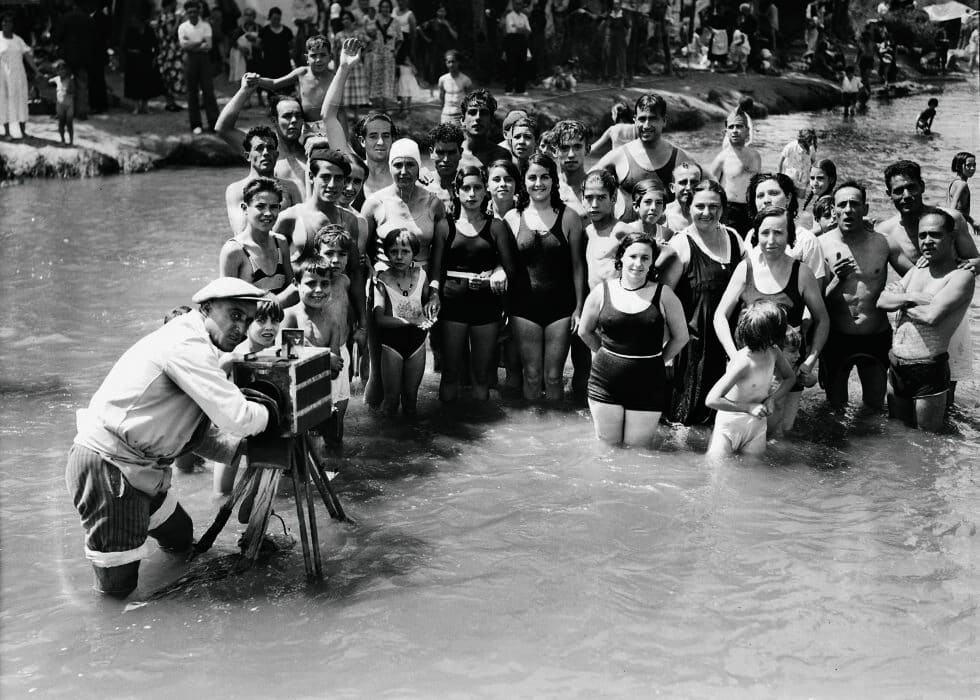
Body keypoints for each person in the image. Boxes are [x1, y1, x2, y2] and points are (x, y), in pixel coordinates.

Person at [66, 278, 274, 597]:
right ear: (205, 309)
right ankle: (115, 629)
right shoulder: (187, 344)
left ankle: (169, 591)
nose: (241, 327)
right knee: (117, 590)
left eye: (247, 319)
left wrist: (248, 447)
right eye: (234, 314)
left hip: (143, 464)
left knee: (180, 536)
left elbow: (195, 437)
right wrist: (278, 413)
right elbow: (239, 417)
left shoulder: (198, 346)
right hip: (109, 466)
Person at [713, 207, 828, 435]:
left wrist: (810, 361)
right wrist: (734, 356)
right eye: (765, 233)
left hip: (787, 373)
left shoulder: (802, 273)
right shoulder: (745, 269)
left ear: (790, 237)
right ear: (756, 234)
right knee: (742, 433)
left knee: (779, 436)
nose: (771, 240)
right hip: (749, 371)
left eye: (778, 233)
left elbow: (822, 320)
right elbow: (720, 316)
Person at [878, 160, 979, 405]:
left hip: (948, 310)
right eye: (898, 190)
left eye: (911, 187)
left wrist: (974, 266)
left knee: (946, 390)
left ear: (922, 186)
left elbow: (975, 259)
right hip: (912, 311)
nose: (906, 195)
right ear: (889, 194)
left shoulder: (950, 219)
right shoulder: (886, 232)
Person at [578, 233, 689, 446]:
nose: (638, 263)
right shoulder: (602, 291)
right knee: (606, 450)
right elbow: (585, 331)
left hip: (648, 385)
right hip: (605, 383)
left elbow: (681, 337)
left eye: (645, 258)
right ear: (621, 258)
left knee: (637, 453)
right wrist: (606, 355)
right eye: (633, 256)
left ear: (652, 262)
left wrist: (657, 360)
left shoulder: (664, 295)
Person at [877, 210, 974, 432]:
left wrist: (898, 299)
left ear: (951, 237)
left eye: (935, 235)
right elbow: (881, 301)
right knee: (897, 434)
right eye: (922, 236)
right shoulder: (918, 270)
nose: (927, 241)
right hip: (897, 365)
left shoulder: (961, 276)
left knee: (927, 442)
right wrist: (911, 297)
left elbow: (932, 316)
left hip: (928, 368)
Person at [433, 163, 519, 402]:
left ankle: (482, 432)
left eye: (477, 188)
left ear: (485, 191)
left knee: (482, 375)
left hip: (486, 309)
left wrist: (495, 275)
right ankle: (448, 427)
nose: (472, 194)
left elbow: (512, 269)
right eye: (466, 188)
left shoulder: (497, 227)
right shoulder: (445, 227)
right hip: (452, 309)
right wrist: (433, 297)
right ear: (457, 191)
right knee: (450, 374)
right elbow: (435, 272)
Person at [662, 180, 745, 426]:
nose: (706, 213)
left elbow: (749, 286)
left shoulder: (734, 238)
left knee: (721, 422)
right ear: (689, 208)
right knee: (684, 423)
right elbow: (663, 300)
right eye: (700, 206)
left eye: (714, 207)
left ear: (722, 209)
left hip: (728, 345)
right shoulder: (681, 244)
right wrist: (667, 352)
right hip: (691, 349)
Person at [503, 153, 586, 401]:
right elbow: (504, 264)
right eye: (532, 177)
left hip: (561, 309)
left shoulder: (569, 217)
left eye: (544, 177)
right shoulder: (512, 218)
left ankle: (554, 434)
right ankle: (531, 437)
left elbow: (578, 266)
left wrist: (579, 307)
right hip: (523, 308)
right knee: (531, 374)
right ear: (523, 182)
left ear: (554, 181)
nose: (538, 183)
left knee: (553, 377)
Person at [818, 180, 892, 410]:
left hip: (876, 334)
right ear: (833, 210)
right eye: (842, 204)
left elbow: (916, 272)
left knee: (875, 408)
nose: (848, 209)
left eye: (855, 204)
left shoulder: (882, 243)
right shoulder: (821, 245)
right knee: (835, 408)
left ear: (866, 209)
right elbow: (815, 303)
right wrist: (838, 280)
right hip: (837, 336)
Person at [706, 301, 796, 457]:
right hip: (730, 425)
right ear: (773, 334)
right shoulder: (742, 363)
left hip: (757, 425)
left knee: (752, 474)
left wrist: (772, 399)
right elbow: (712, 400)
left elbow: (790, 378)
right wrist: (748, 408)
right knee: (715, 470)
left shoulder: (773, 352)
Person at [284, 239, 352, 444]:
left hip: (328, 385)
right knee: (301, 440)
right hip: (301, 387)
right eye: (311, 283)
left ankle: (335, 469)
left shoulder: (332, 323)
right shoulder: (292, 317)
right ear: (296, 285)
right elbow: (291, 356)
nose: (318, 289)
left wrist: (327, 360)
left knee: (334, 435)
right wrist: (324, 357)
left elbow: (335, 368)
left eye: (324, 283)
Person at [595, 93, 697, 221]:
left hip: (667, 236)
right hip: (628, 236)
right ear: (635, 120)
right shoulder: (618, 156)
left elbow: (709, 190)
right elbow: (587, 184)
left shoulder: (680, 159)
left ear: (664, 120)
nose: (647, 125)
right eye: (642, 119)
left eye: (653, 119)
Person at [374, 226, 438, 416]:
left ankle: (411, 442)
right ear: (387, 254)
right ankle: (388, 443)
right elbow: (379, 320)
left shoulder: (422, 276)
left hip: (417, 344)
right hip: (392, 345)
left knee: (411, 400)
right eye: (394, 252)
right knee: (391, 401)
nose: (399, 257)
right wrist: (411, 321)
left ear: (414, 254)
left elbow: (427, 309)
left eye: (405, 252)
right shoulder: (382, 280)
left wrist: (431, 315)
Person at [220, 177, 295, 308]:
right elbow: (227, 303)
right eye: (260, 206)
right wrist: (279, 302)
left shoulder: (280, 243)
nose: (268, 213)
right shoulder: (234, 250)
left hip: (280, 321)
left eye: (273, 207)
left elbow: (291, 289)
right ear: (244, 208)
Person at [747, 172, 828, 288]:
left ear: (788, 198)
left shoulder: (806, 241)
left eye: (773, 193)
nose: (766, 200)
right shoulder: (751, 236)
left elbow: (815, 293)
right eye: (760, 195)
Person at [224, 126, 303, 234]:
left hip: (285, 248)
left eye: (270, 148)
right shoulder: (235, 189)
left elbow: (300, 228)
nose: (265, 153)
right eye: (259, 148)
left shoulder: (290, 187)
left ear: (276, 155)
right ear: (248, 156)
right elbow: (240, 231)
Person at [254, 33, 334, 137]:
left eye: (323, 55)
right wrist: (257, 79)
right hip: (306, 128)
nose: (318, 60)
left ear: (330, 57)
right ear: (307, 58)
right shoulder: (302, 73)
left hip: (329, 128)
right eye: (313, 55)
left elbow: (340, 111)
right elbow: (274, 84)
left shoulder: (334, 78)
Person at [709, 108, 761, 237]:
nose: (735, 130)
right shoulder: (721, 158)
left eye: (739, 126)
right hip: (730, 212)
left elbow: (759, 185)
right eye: (731, 127)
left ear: (747, 130)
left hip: (751, 209)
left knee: (750, 249)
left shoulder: (755, 156)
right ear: (726, 132)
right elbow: (710, 188)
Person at [178, 0, 219, 134]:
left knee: (208, 91)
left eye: (195, 11)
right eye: (190, 12)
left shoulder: (206, 26)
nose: (193, 14)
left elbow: (208, 46)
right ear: (186, 13)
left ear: (199, 11)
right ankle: (196, 124)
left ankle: (214, 122)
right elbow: (183, 46)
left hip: (204, 61)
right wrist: (199, 43)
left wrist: (192, 44)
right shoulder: (183, 27)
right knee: (192, 93)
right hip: (189, 61)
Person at [0, 12, 35, 140]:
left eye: (8, 21)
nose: (5, 23)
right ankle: (7, 132)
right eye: (3, 21)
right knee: (4, 102)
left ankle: (23, 132)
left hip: (18, 75)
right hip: (3, 76)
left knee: (21, 101)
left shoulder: (18, 40)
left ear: (12, 24)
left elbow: (27, 56)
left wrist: (36, 71)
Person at [461, 89, 513, 168]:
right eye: (472, 112)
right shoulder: (453, 153)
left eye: (484, 113)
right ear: (462, 120)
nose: (478, 117)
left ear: (491, 120)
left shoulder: (501, 155)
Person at [332, 11, 370, 116]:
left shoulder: (358, 34)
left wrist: (362, 55)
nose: (346, 21)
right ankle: (349, 117)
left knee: (357, 91)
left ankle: (357, 116)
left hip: (357, 66)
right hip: (344, 66)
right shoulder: (338, 35)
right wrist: (336, 68)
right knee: (346, 90)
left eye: (348, 18)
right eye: (343, 19)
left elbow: (369, 43)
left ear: (352, 20)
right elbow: (335, 53)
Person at [152, 0, 185, 112]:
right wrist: (178, 20)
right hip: (169, 50)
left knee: (167, 75)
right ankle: (170, 102)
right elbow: (171, 33)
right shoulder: (169, 17)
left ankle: (170, 101)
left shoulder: (160, 17)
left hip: (163, 49)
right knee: (171, 74)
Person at [550, 119, 591, 211]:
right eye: (564, 148)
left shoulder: (599, 189)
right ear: (554, 151)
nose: (571, 155)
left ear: (587, 150)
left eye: (577, 147)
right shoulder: (547, 188)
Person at [425, 121, 464, 212]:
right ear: (431, 153)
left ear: (460, 153)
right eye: (440, 153)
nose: (446, 159)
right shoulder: (420, 186)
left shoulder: (470, 185)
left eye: (451, 153)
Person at [370, 0, 401, 111]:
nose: (385, 9)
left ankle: (387, 105)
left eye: (387, 7)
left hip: (389, 54)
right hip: (377, 53)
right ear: (380, 8)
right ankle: (379, 105)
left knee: (388, 78)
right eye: (383, 7)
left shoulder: (395, 22)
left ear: (390, 8)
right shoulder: (375, 20)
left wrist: (396, 51)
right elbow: (370, 36)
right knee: (377, 78)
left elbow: (400, 39)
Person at [502, 0, 532, 96]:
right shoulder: (509, 16)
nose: (518, 6)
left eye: (520, 4)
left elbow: (529, 30)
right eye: (516, 3)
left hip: (522, 41)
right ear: (513, 5)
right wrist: (522, 29)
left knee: (522, 64)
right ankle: (509, 88)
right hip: (512, 41)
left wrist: (519, 28)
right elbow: (511, 29)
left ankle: (520, 89)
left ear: (522, 5)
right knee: (511, 64)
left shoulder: (524, 17)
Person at [259, 7, 294, 89]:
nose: (276, 21)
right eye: (274, 19)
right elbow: (259, 45)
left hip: (284, 63)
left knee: (286, 84)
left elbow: (292, 46)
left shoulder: (287, 31)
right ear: (270, 18)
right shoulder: (264, 31)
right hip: (269, 64)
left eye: (278, 19)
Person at [778, 129, 817, 199]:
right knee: (788, 197)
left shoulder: (811, 148)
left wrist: (810, 176)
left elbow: (813, 161)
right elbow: (781, 160)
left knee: (801, 199)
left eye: (809, 144)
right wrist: (780, 175)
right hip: (790, 174)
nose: (806, 147)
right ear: (800, 142)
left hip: (804, 176)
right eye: (804, 146)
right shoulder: (791, 146)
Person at [664, 162, 702, 232]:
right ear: (672, 188)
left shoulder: (705, 214)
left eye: (694, 182)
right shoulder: (663, 215)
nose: (688, 187)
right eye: (683, 182)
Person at [600, 0, 630, 88]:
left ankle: (622, 80)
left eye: (617, 4)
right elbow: (605, 22)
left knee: (621, 59)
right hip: (611, 39)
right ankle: (612, 79)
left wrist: (627, 38)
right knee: (611, 58)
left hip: (620, 39)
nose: (615, 5)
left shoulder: (623, 14)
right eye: (614, 4)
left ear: (620, 5)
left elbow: (628, 27)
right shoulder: (610, 14)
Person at [801, 159, 837, 229]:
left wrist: (804, 236)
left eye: (820, 178)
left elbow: (824, 229)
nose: (815, 183)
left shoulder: (826, 203)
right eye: (812, 178)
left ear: (831, 179)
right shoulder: (828, 199)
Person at [437, 49, 471, 125]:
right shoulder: (442, 79)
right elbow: (441, 97)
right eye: (449, 62)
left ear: (458, 62)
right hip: (445, 116)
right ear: (446, 63)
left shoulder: (465, 80)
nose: (451, 64)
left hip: (459, 116)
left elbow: (470, 99)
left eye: (453, 61)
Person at [947, 151, 976, 231]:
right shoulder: (962, 184)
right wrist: (972, 221)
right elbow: (953, 208)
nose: (972, 168)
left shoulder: (953, 182)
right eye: (968, 165)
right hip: (958, 228)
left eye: (974, 165)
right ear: (959, 166)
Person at [48, 60, 75, 145]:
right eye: (59, 70)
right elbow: (49, 81)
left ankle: (71, 141)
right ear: (56, 71)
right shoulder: (57, 79)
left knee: (69, 123)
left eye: (63, 69)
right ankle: (62, 140)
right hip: (60, 105)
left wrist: (69, 90)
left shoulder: (70, 79)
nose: (61, 71)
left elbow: (74, 91)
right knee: (61, 123)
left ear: (66, 70)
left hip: (69, 105)